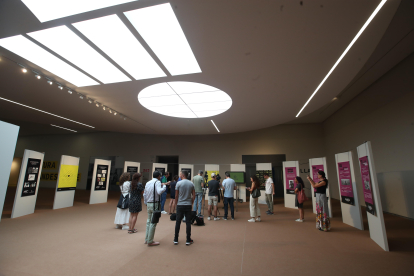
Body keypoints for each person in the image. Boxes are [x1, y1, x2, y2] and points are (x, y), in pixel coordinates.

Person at [144, 171, 166, 246]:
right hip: (155, 204)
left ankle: (146, 239)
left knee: (148, 222)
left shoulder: (148, 182)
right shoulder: (158, 182)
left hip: (149, 203)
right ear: (159, 176)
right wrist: (164, 187)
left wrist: (146, 202)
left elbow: (145, 194)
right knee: (153, 222)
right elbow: (159, 192)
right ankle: (150, 241)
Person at [174, 170, 195, 245]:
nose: (179, 175)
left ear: (183, 175)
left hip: (180, 205)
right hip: (188, 205)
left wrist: (176, 203)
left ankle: (176, 239)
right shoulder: (191, 183)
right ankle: (188, 240)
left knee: (178, 222)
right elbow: (194, 195)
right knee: (188, 222)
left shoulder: (178, 183)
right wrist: (191, 202)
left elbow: (176, 195)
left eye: (180, 174)